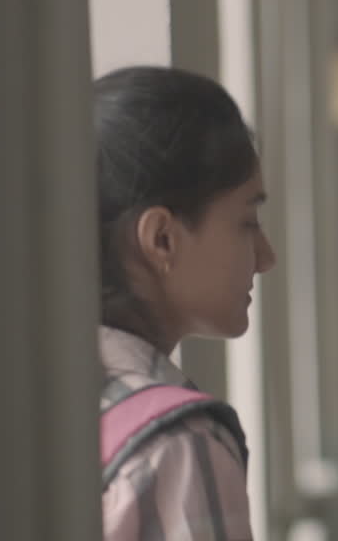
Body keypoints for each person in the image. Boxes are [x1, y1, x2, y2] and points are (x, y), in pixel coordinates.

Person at [96, 66, 276, 540]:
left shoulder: (37, 401)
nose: (266, 257)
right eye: (248, 221)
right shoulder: (178, 447)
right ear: (162, 239)